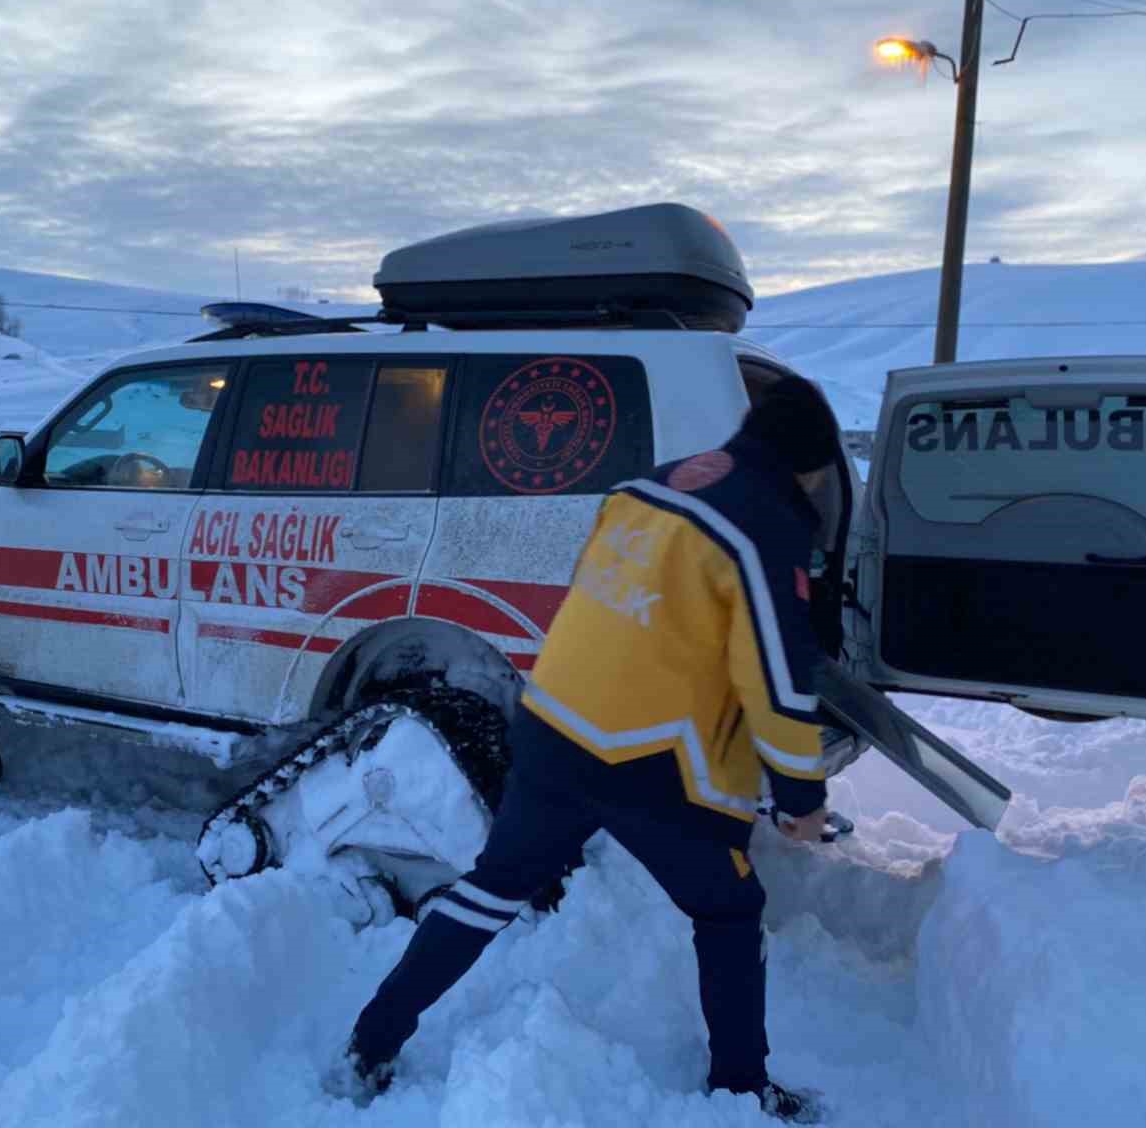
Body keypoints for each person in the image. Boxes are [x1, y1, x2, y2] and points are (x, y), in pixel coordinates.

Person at [335, 376, 842, 1124]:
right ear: (808, 465)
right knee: (730, 909)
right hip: (651, 756)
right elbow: (772, 675)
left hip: (553, 725)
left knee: (489, 890)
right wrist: (800, 794)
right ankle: (741, 1089)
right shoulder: (765, 524)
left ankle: (370, 1040)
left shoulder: (651, 484)